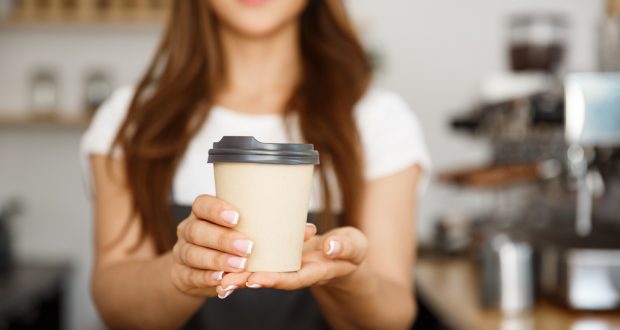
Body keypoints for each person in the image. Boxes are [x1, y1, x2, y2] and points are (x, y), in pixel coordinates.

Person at [81, 0, 430, 329]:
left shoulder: (378, 121)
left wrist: (347, 278)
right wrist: (180, 274)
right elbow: (114, 302)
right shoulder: (132, 119)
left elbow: (394, 314)